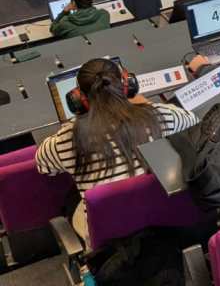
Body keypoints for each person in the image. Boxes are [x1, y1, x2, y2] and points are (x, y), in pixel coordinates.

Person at [35, 58, 198, 238]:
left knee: (73, 199)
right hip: (165, 222)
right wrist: (147, 105)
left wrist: (72, 125)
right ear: (127, 86)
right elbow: (192, 120)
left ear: (79, 99)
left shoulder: (68, 138)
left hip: (110, 238)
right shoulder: (158, 117)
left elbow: (43, 164)